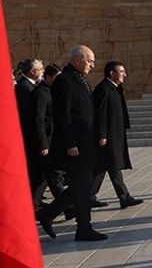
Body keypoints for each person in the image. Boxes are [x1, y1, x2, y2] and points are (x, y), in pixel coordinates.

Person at [36, 45, 108, 241]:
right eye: (89, 61)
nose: (92, 65)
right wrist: (70, 143)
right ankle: (83, 228)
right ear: (78, 59)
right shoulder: (65, 81)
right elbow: (63, 116)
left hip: (85, 142)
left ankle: (47, 214)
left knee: (80, 185)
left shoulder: (79, 79)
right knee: (82, 187)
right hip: (75, 145)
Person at [91, 61, 143, 209]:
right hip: (108, 136)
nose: (125, 75)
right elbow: (100, 114)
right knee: (112, 165)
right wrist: (102, 134)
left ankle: (88, 196)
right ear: (112, 73)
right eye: (122, 71)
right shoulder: (104, 89)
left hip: (114, 134)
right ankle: (124, 197)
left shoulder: (114, 88)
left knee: (103, 166)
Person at [27, 64, 66, 210]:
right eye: (56, 78)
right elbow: (39, 120)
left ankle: (34, 202)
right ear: (48, 77)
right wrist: (43, 144)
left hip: (52, 140)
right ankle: (66, 206)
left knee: (42, 175)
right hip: (45, 142)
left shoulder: (51, 91)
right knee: (53, 175)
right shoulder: (41, 93)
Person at [16, 58, 43, 136]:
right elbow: (26, 111)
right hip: (28, 132)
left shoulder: (31, 85)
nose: (42, 71)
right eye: (40, 69)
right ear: (32, 71)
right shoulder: (23, 87)